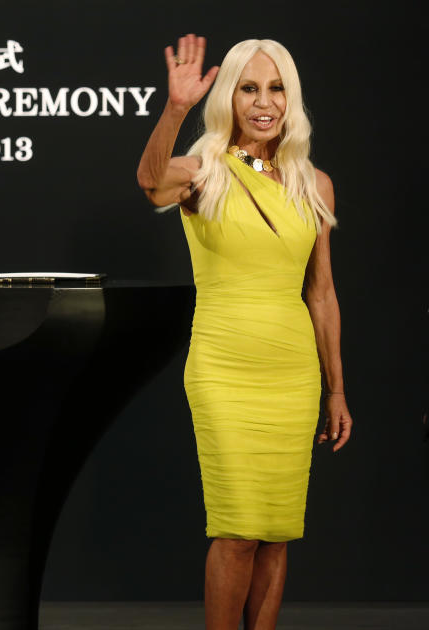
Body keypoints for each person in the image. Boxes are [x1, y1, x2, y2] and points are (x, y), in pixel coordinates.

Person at [136, 35, 353, 629]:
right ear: (228, 97)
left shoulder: (315, 185)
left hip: (292, 373)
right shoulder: (205, 170)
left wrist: (335, 389)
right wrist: (176, 109)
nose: (264, 102)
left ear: (292, 97)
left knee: (275, 534)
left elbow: (323, 292)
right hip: (224, 368)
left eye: (276, 87)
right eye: (249, 88)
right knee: (236, 531)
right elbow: (152, 182)